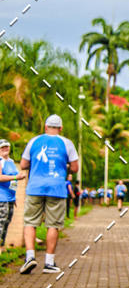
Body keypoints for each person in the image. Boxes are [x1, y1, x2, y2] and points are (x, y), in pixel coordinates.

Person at [19, 114, 79, 274]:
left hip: (35, 187)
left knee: (30, 222)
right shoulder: (67, 143)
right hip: (56, 188)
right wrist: (62, 164)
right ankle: (49, 262)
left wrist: (38, 163)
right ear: (60, 128)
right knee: (53, 224)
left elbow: (24, 164)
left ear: (45, 127)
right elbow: (75, 168)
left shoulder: (34, 141)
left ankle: (30, 257)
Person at [0, 139, 26, 248]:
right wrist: (16, 177)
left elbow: (14, 181)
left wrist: (14, 196)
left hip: (10, 198)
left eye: (7, 146)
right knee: (1, 224)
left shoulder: (10, 162)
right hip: (1, 197)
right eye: (2, 147)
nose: (5, 149)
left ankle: (1, 248)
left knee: (7, 223)